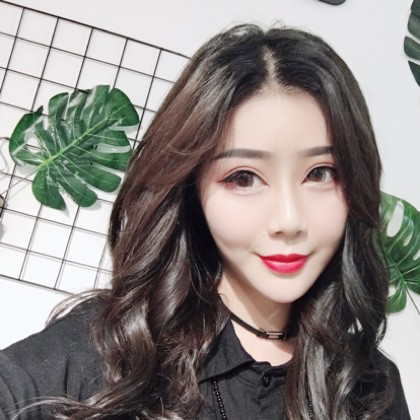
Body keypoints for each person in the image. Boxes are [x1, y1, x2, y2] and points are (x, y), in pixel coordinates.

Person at [0, 24, 411, 420]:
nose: (288, 221)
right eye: (244, 178)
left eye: (320, 173)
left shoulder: (368, 386)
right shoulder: (114, 349)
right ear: (192, 189)